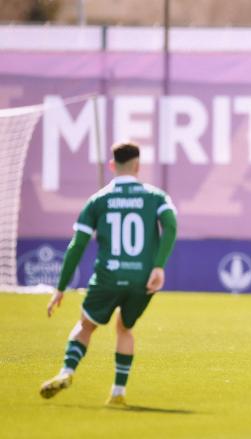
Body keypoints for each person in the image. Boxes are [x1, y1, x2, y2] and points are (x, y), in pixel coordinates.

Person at [39, 141, 177, 406]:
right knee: (124, 329)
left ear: (112, 165)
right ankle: (117, 393)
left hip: (107, 277)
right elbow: (170, 226)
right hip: (143, 278)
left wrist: (60, 287)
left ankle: (66, 371)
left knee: (85, 325)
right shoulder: (156, 197)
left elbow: (77, 245)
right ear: (138, 165)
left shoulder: (98, 200)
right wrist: (159, 265)